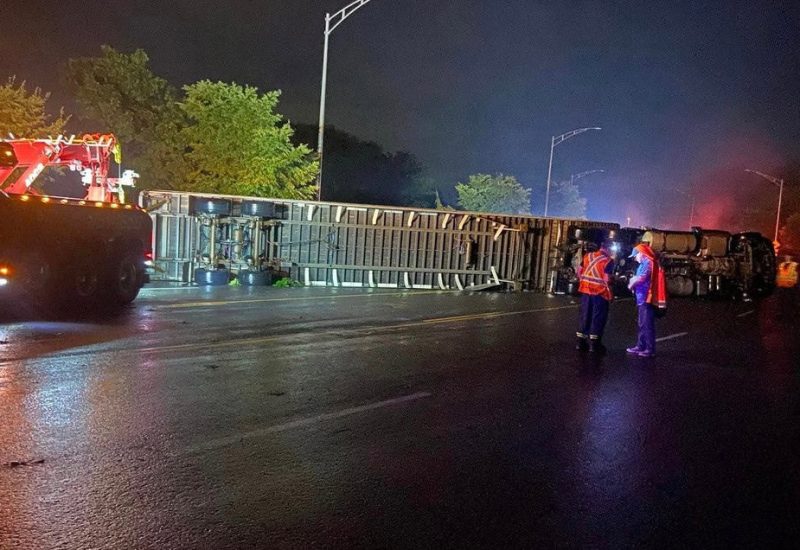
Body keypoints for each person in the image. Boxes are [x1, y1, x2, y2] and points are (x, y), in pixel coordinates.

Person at [626, 243, 667, 358]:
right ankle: (641, 345)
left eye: (635, 256)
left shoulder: (649, 263)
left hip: (646, 298)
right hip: (641, 298)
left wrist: (631, 284)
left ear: (641, 254)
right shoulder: (644, 263)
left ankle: (649, 349)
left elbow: (641, 278)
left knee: (647, 324)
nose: (635, 258)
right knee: (641, 323)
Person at [575, 240, 615, 353]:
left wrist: (584, 281)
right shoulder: (608, 261)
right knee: (598, 317)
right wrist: (611, 293)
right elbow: (607, 279)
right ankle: (594, 344)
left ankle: (580, 342)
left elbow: (579, 271)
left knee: (585, 315)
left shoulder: (588, 256)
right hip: (599, 293)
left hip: (586, 290)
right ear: (608, 249)